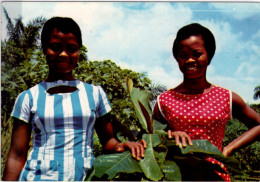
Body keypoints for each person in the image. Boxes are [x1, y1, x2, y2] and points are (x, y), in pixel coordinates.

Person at [3, 17, 147, 181]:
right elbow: (16, 155)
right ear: (44, 49)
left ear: (79, 51)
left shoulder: (95, 94)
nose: (64, 54)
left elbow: (108, 140)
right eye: (56, 47)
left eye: (71, 48)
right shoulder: (29, 97)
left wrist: (122, 145)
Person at [153, 23, 260, 181]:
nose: (190, 60)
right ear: (177, 58)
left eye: (197, 54)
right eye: (183, 55)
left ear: (209, 56)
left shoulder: (226, 97)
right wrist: (167, 136)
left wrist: (228, 149)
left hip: (215, 175)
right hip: (176, 176)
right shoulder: (164, 100)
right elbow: (152, 136)